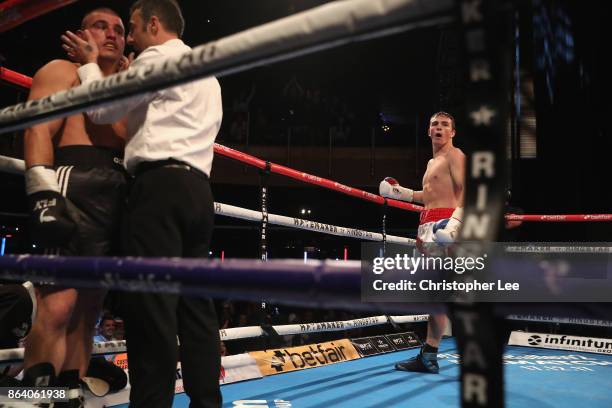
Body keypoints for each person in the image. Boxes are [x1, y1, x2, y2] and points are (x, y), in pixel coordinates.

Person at [62, 0, 223, 406]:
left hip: (159, 189)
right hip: (199, 191)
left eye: (131, 26)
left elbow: (100, 111)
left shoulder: (154, 60)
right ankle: (207, 402)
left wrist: (88, 65)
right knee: (195, 309)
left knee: (152, 309)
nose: (128, 36)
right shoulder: (207, 71)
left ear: (154, 23)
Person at [22, 7, 128, 406]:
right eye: (101, 26)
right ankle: (30, 396)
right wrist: (42, 190)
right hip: (73, 180)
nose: (112, 34)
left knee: (89, 309)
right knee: (58, 304)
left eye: (119, 29)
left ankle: (68, 393)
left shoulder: (123, 84)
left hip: (115, 190)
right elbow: (37, 128)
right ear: (80, 34)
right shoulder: (61, 71)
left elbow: (129, 138)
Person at [379, 111, 465, 373]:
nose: (439, 128)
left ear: (453, 132)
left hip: (446, 226)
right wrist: (400, 192)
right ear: (428, 131)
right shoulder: (431, 162)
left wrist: (454, 226)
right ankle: (429, 355)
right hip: (428, 226)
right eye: (434, 124)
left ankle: (472, 348)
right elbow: (427, 197)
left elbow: (467, 195)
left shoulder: (455, 155)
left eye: (445, 125)